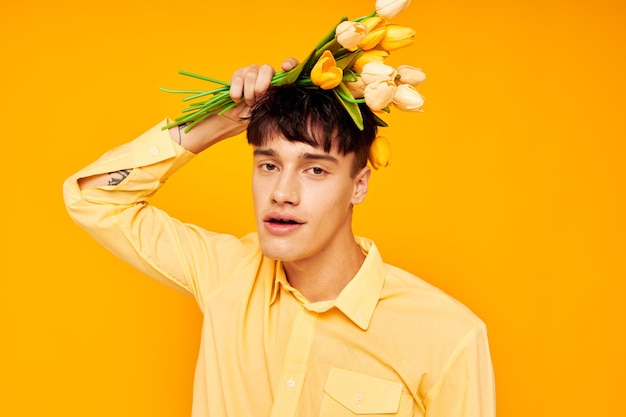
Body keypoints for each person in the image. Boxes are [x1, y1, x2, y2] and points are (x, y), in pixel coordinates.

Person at [63, 58, 495, 416]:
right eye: (268, 165)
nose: (282, 194)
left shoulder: (449, 335)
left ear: (359, 185)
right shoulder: (225, 275)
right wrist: (213, 124)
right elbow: (94, 199)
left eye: (315, 170)